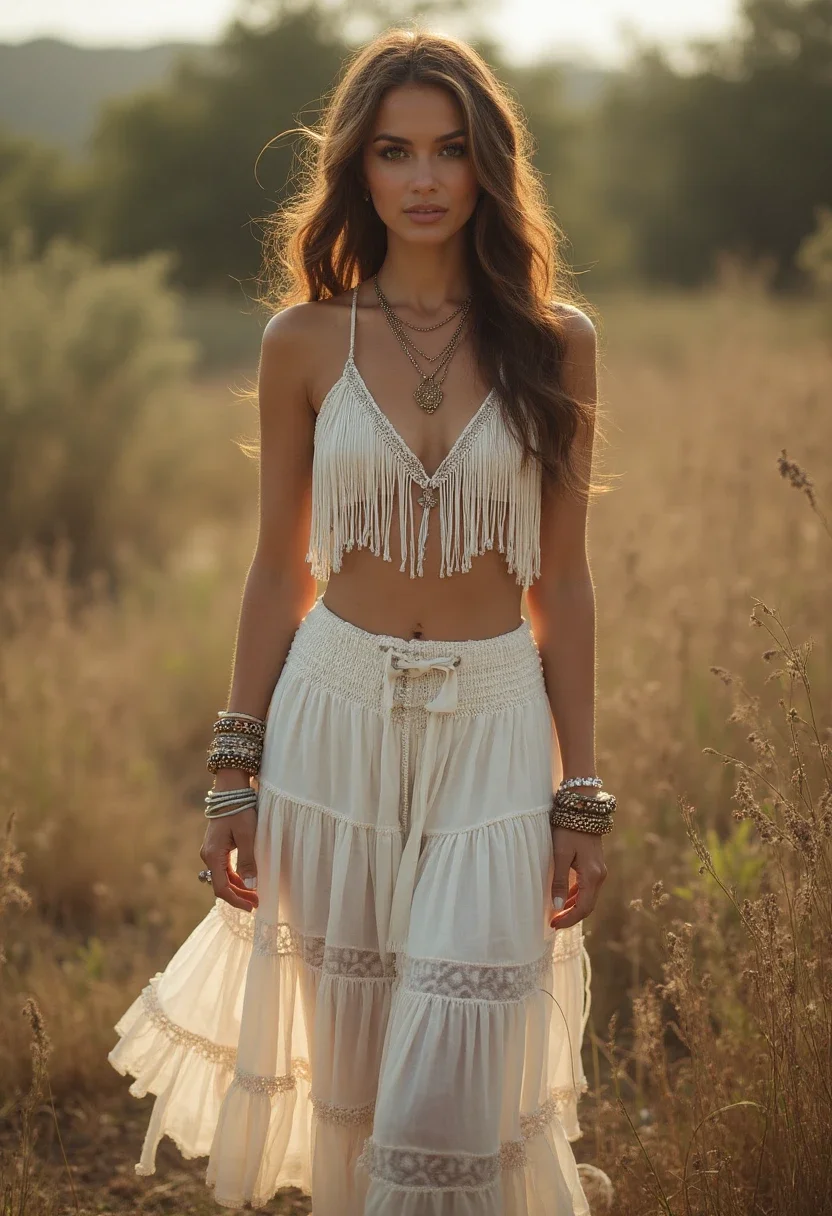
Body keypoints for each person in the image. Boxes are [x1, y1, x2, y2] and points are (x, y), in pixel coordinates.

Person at [108, 26, 615, 1216]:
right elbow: (276, 566)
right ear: (360, 171)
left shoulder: (558, 346)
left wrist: (578, 792)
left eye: (450, 151)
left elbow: (569, 582)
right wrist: (235, 770)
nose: (425, 178)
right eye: (395, 152)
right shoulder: (303, 341)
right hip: (331, 720)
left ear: (489, 167)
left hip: (495, 724)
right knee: (351, 1085)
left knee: (451, 1086)